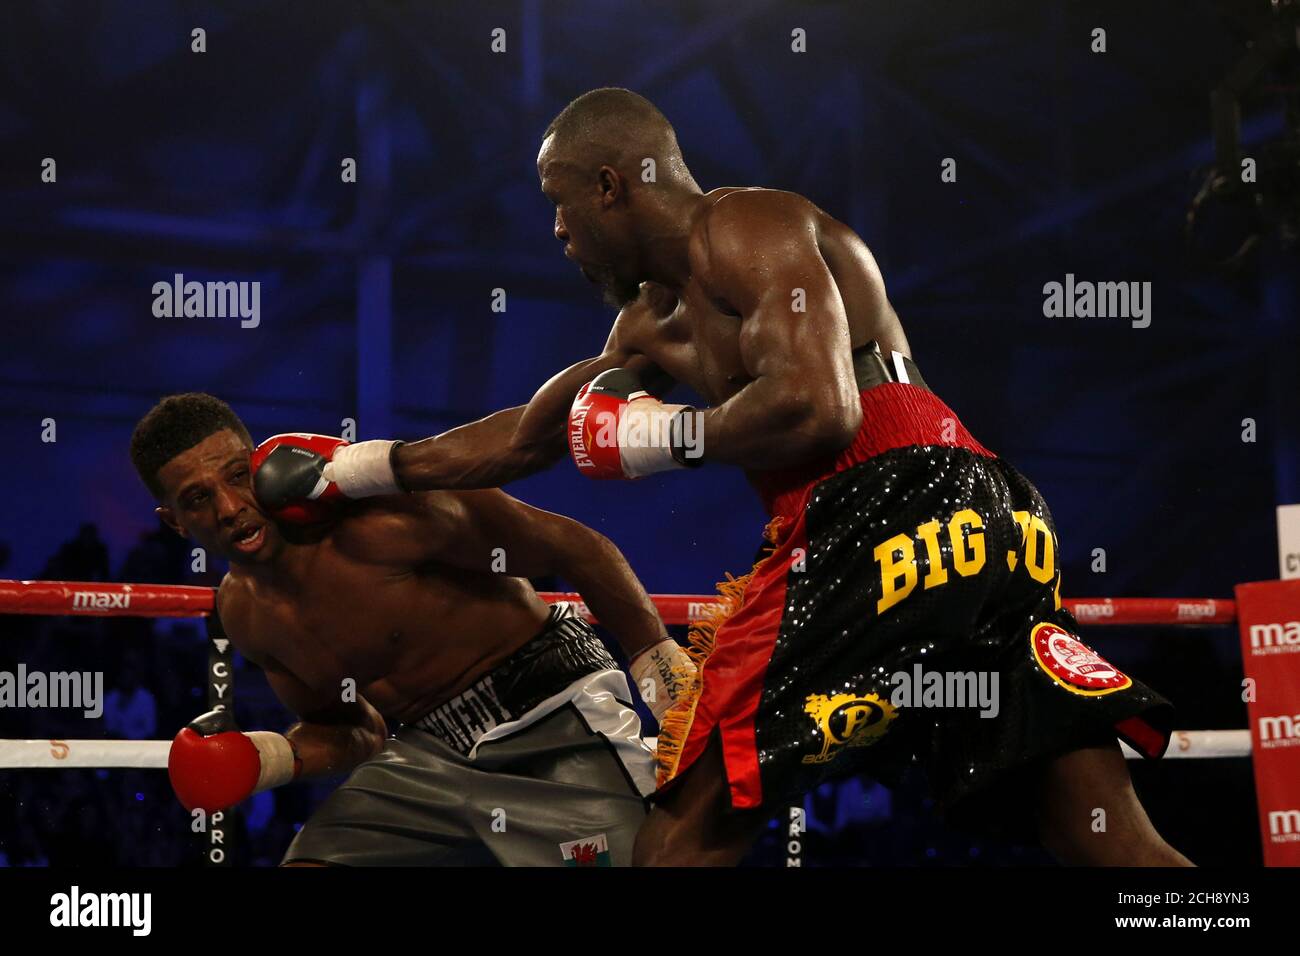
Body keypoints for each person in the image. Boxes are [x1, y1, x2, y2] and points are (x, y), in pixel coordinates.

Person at [256, 88, 1190, 866]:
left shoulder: (748, 225)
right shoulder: (647, 327)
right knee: (1097, 828)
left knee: (687, 817)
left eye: (560, 202)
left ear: (611, 185)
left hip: (885, 502)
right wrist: (354, 471)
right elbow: (523, 442)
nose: (556, 230)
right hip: (990, 523)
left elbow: (823, 409)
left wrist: (664, 436)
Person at [130, 391, 684, 866]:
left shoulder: (380, 518)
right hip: (429, 756)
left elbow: (577, 547)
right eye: (198, 499)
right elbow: (353, 731)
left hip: (553, 711)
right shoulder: (246, 614)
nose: (228, 508)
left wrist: (665, 677)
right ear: (174, 521)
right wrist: (264, 758)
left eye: (235, 476)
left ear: (256, 463)